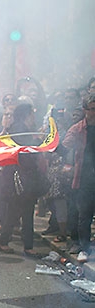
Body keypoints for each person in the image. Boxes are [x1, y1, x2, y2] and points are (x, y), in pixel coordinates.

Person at [0, 103, 48, 257]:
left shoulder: (20, 129)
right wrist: (40, 141)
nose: (34, 117)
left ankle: (12, 242)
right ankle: (20, 244)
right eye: (32, 113)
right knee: (21, 211)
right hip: (20, 176)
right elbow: (27, 149)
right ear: (27, 114)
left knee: (20, 211)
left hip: (23, 175)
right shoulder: (20, 130)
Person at [64, 93, 95, 262]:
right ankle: (84, 248)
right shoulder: (78, 129)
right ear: (85, 110)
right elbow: (65, 146)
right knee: (85, 215)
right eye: (92, 109)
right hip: (85, 179)